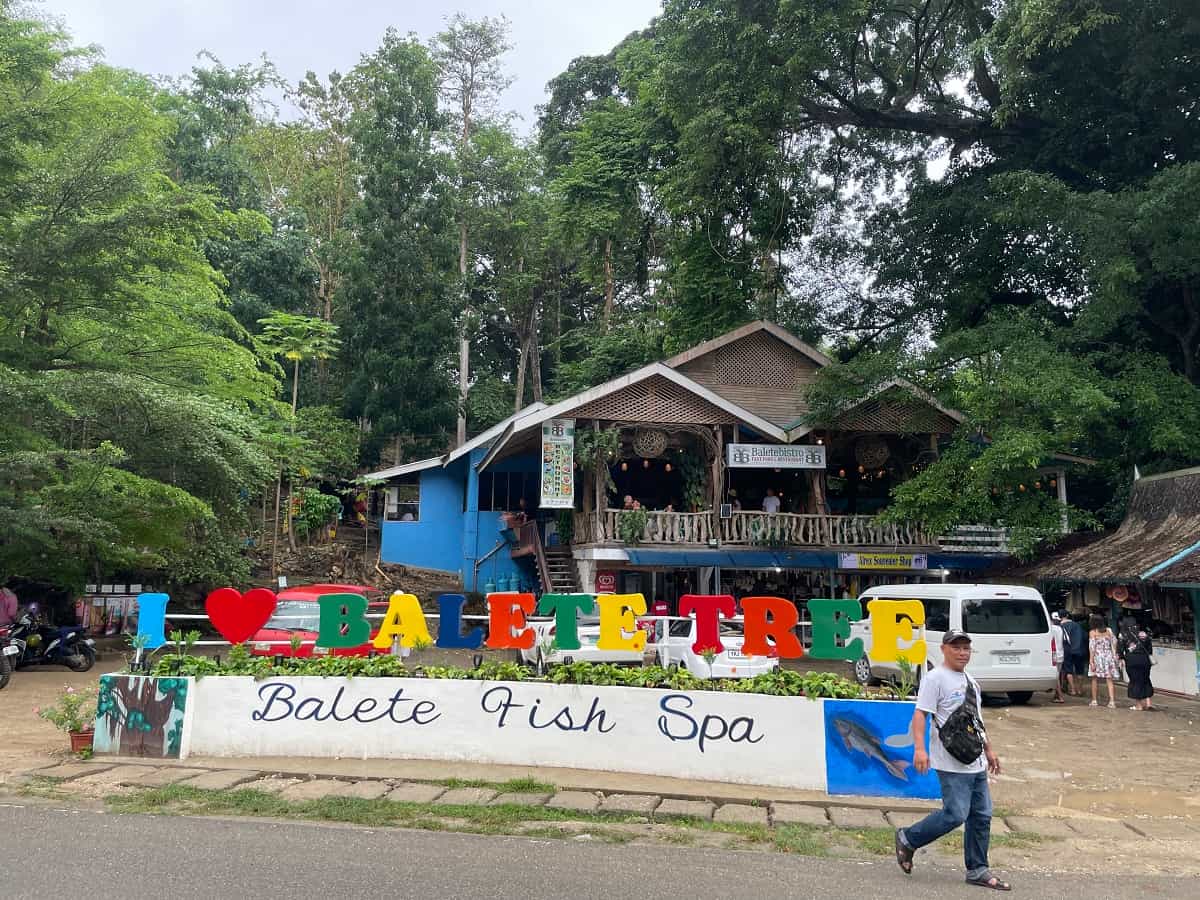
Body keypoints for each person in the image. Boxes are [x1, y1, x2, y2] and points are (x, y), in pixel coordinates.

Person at [895, 631, 1010, 892]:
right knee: (955, 814)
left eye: (966, 648)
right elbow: (920, 715)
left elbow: (977, 721)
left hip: (975, 760)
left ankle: (977, 869)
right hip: (950, 761)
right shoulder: (935, 678)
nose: (962, 653)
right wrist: (919, 749)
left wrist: (989, 750)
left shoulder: (971, 680)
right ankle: (908, 838)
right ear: (944, 649)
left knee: (982, 816)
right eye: (957, 647)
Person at [1118, 620, 1155, 711]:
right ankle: (1148, 703)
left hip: (1132, 661)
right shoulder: (1143, 634)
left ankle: (1139, 705)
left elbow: (1120, 649)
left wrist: (1121, 659)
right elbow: (1149, 649)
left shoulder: (1123, 635)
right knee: (1146, 679)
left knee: (1135, 681)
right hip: (1145, 661)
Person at [1088, 613, 1119, 708]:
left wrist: (1091, 661)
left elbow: (1092, 648)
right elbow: (1114, 643)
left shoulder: (1093, 632)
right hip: (1109, 656)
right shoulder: (1109, 630)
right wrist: (1114, 656)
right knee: (1109, 680)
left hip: (1098, 657)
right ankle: (1112, 701)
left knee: (1094, 679)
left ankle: (1094, 700)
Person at [1060, 613, 1087, 696]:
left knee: (1069, 670)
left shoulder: (1060, 627)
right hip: (1079, 650)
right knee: (1080, 671)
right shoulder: (1078, 626)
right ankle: (1080, 690)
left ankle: (1073, 690)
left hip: (1067, 650)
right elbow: (1085, 637)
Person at [1050, 613, 1066, 703]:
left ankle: (1060, 696)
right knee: (1058, 674)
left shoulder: (1051, 629)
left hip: (1053, 654)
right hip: (1061, 653)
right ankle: (1056, 695)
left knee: (1055, 677)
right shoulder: (1060, 628)